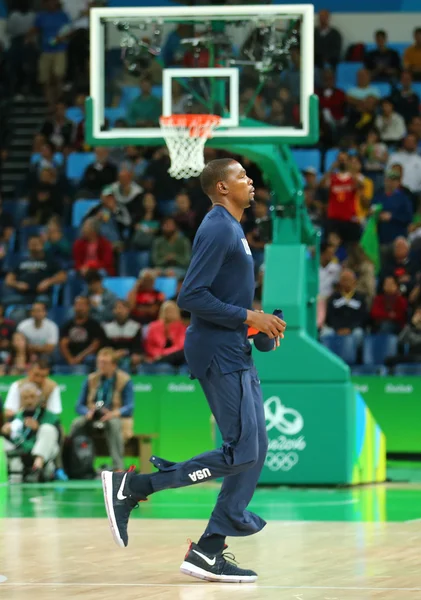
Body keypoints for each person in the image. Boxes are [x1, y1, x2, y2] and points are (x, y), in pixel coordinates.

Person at [100, 158, 286, 582]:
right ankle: (134, 488)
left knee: (254, 453)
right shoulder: (218, 226)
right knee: (242, 451)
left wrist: (258, 325)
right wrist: (249, 316)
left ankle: (209, 550)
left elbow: (222, 300)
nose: (249, 180)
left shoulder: (233, 229)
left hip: (233, 347)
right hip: (217, 351)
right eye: (240, 176)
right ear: (221, 187)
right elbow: (191, 297)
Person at [70, 347, 134, 471]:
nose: (101, 366)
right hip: (93, 416)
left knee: (114, 424)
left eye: (105, 363)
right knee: (77, 423)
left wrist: (113, 413)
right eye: (99, 362)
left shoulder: (125, 380)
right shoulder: (91, 379)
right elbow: (79, 406)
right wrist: (87, 412)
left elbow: (130, 406)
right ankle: (78, 465)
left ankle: (118, 467)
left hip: (114, 417)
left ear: (114, 365)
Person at [1, 382, 60, 483]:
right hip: (20, 453)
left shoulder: (49, 415)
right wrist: (5, 432)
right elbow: (12, 439)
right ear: (20, 400)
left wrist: (38, 428)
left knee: (48, 429)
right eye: (25, 398)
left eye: (32, 397)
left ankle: (36, 468)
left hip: (44, 453)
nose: (29, 401)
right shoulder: (15, 417)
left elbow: (57, 438)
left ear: (38, 397)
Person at [59, 296, 104, 369]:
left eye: (82, 305)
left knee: (91, 359)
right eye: (77, 305)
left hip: (87, 358)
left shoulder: (94, 325)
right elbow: (63, 344)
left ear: (88, 307)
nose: (80, 308)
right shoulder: (67, 325)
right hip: (71, 357)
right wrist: (70, 359)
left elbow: (95, 345)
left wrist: (80, 357)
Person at [143, 300, 187, 370]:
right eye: (167, 310)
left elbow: (180, 346)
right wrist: (158, 354)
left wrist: (164, 354)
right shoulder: (153, 326)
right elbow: (149, 346)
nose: (169, 312)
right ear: (162, 311)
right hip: (156, 357)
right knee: (162, 368)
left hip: (176, 358)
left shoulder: (181, 327)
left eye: (172, 310)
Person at [103, 300, 143, 372]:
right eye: (117, 308)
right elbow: (105, 346)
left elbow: (138, 347)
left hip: (129, 356)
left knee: (127, 364)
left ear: (128, 310)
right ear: (113, 311)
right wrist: (113, 354)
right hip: (112, 356)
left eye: (122, 308)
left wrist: (126, 352)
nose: (119, 311)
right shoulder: (107, 327)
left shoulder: (135, 326)